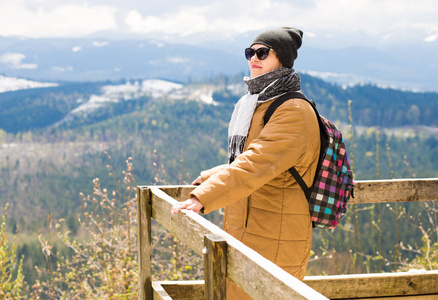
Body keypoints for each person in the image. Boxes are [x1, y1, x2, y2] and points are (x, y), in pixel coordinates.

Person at [171, 27, 320, 299]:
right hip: (248, 227)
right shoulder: (259, 103)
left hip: (276, 231)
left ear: (283, 59)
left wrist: (203, 196)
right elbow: (248, 158)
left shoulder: (293, 110)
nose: (254, 57)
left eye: (263, 52)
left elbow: (257, 162)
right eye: (250, 52)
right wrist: (211, 177)